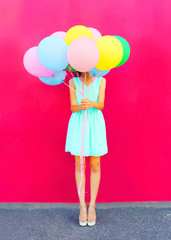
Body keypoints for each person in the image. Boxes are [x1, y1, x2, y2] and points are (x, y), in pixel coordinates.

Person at [65, 71, 108, 226]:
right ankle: (82, 205)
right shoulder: (73, 82)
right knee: (79, 165)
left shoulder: (101, 80)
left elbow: (101, 105)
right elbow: (72, 108)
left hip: (95, 123)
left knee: (95, 165)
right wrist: (80, 106)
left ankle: (93, 204)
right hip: (78, 123)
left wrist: (91, 103)